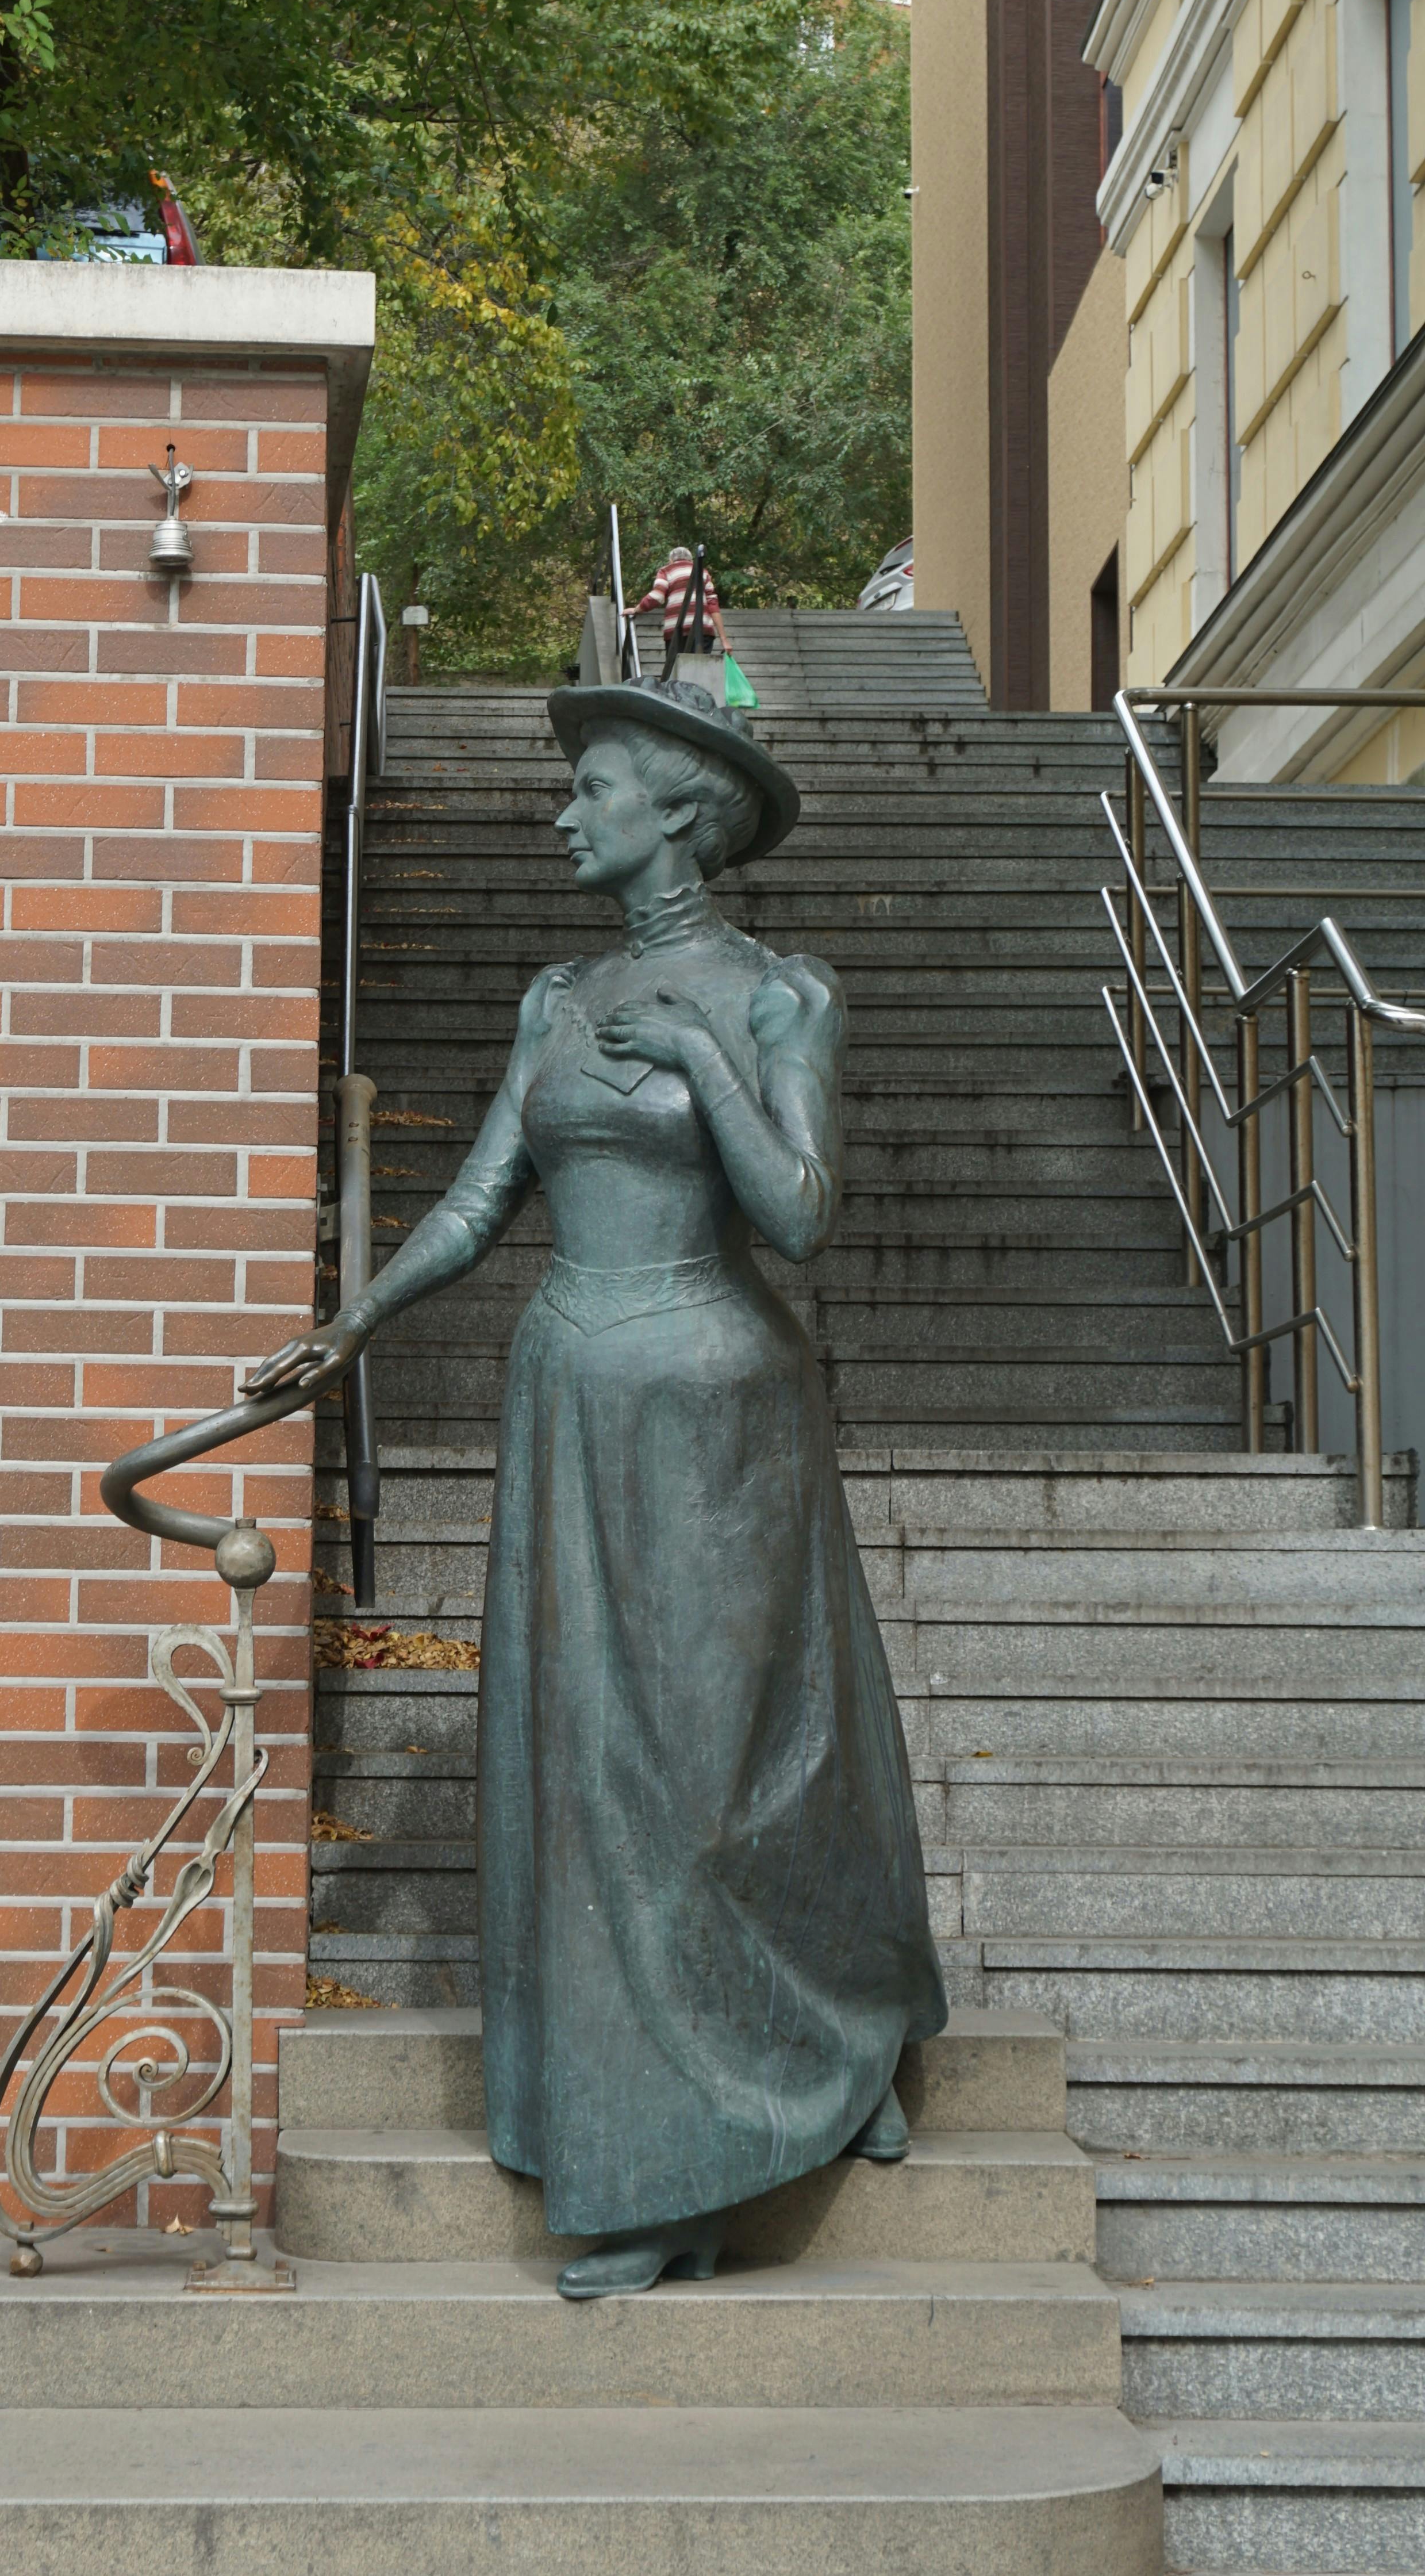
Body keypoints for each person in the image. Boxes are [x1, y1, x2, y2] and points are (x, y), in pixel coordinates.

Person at [249, 676, 945, 2297]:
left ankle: (777, 2084)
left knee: (708, 1776)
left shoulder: (779, 997)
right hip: (568, 1397)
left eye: (595, 788)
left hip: (716, 1411)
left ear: (679, 814)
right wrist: (349, 1320)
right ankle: (657, 2141)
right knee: (597, 1775)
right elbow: (484, 1196)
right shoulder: (555, 994)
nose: (566, 812)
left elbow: (801, 1214)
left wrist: (704, 1053)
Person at [632, 543, 724, 650]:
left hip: (677, 631)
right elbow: (713, 604)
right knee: (700, 666)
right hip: (703, 630)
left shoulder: (666, 571)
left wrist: (637, 609)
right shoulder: (703, 573)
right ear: (691, 560)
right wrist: (724, 639)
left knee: (676, 666)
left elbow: (657, 597)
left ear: (671, 560)